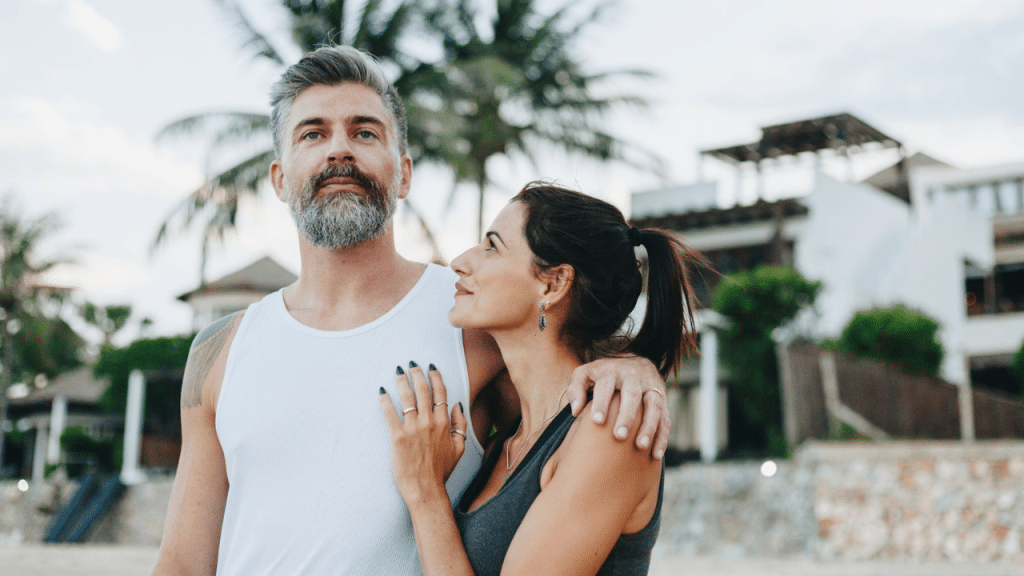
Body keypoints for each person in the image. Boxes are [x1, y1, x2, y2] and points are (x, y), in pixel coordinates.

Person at [151, 46, 671, 576]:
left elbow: (566, 381)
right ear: (281, 179)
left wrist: (633, 367)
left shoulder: (475, 323)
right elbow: (183, 562)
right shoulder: (218, 353)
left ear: (403, 174)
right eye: (313, 133)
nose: (339, 150)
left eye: (364, 132)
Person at [380, 182, 701, 575]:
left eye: (492, 247)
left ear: (552, 284)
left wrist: (426, 494)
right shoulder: (509, 437)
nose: (461, 262)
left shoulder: (611, 426)